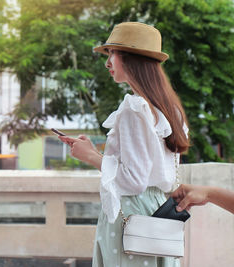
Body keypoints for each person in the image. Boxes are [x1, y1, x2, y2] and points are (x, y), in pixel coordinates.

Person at [58, 22, 190, 267]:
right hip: (159, 210)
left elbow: (133, 181)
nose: (108, 62)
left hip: (132, 211)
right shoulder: (169, 111)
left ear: (132, 59)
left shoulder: (133, 108)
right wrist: (97, 153)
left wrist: (91, 157)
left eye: (113, 53)